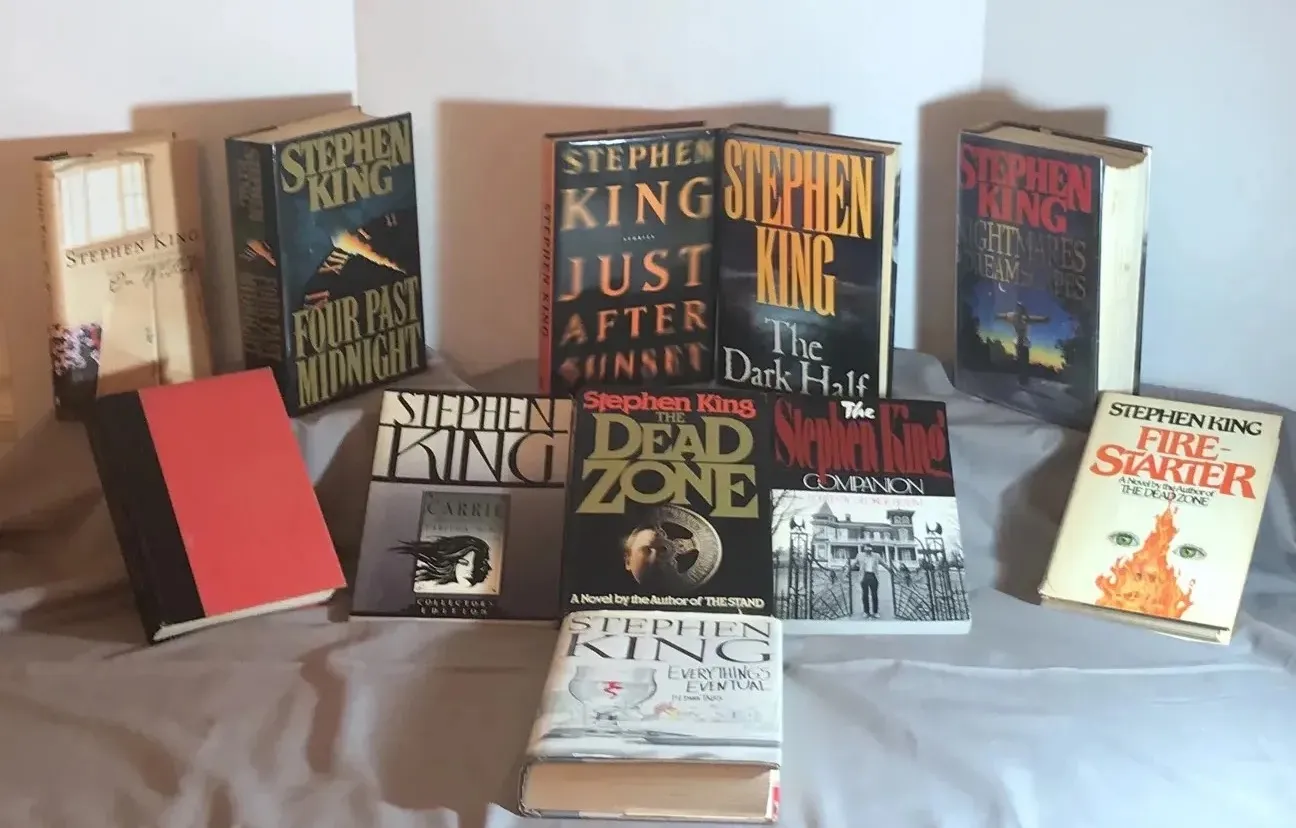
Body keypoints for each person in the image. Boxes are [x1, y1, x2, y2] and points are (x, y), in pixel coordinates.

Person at [857, 548, 882, 618]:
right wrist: (848, 568)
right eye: (866, 550)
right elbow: (854, 563)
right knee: (865, 595)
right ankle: (866, 612)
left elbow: (883, 563)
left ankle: (875, 612)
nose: (868, 551)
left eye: (869, 550)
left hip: (873, 576)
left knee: (874, 595)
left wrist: (890, 569)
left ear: (871, 550)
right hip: (864, 576)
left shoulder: (877, 556)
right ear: (864, 550)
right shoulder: (860, 555)